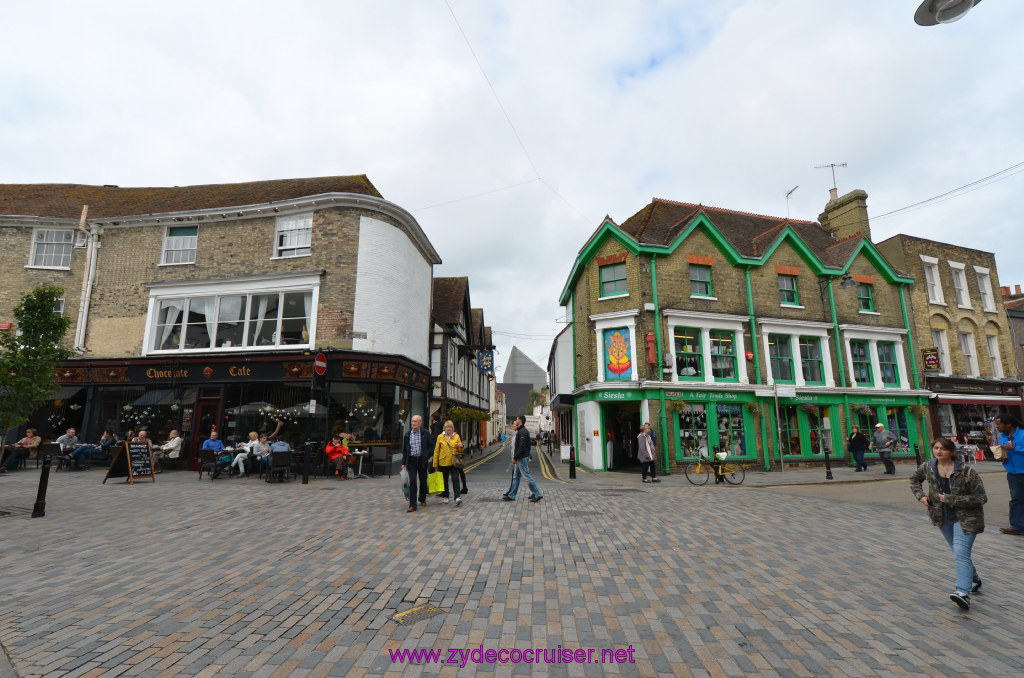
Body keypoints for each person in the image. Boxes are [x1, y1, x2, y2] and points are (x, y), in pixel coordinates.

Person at [909, 437, 986, 610]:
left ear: (951, 451)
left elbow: (981, 497)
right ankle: (974, 578)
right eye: (936, 448)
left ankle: (962, 593)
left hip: (966, 519)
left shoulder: (966, 471)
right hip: (941, 517)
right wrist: (921, 496)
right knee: (959, 552)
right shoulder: (928, 467)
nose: (939, 451)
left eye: (943, 448)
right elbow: (914, 480)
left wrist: (950, 499)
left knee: (960, 552)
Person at [994, 414, 1024, 536]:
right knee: (1016, 500)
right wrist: (1002, 457)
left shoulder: (1022, 433)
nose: (997, 427)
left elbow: (1013, 448)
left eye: (998, 424)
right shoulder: (1003, 436)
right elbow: (1006, 451)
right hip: (1012, 473)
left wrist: (1014, 448)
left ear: (1008, 424)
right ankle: (1018, 526)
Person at [503, 415, 543, 503]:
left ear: (520, 421)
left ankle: (538, 493)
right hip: (520, 458)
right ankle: (512, 495)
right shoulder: (520, 430)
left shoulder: (523, 432)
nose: (515, 420)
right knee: (516, 477)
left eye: (517, 419)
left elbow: (521, 447)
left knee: (527, 476)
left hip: (522, 458)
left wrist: (515, 457)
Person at [401, 415, 434, 513]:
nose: (413, 423)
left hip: (422, 461)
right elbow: (405, 450)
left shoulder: (426, 433)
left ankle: (422, 498)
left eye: (415, 421)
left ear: (420, 422)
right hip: (411, 461)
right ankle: (412, 505)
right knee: (413, 483)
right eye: (412, 421)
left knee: (423, 481)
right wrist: (404, 463)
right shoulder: (407, 435)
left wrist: (426, 456)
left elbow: (432, 446)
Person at [433, 420, 464, 506]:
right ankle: (445, 496)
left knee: (455, 479)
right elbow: (436, 451)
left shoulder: (456, 436)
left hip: (454, 462)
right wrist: (435, 463)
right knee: (444, 480)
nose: (449, 429)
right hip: (443, 462)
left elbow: (460, 450)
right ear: (444, 429)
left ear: (452, 428)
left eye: (450, 427)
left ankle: (457, 497)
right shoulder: (440, 437)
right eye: (447, 427)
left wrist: (461, 447)